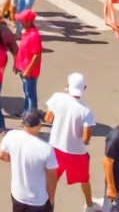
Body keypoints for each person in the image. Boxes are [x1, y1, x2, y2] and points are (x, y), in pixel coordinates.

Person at [44, 72, 97, 211]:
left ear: (68, 85)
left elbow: (48, 119)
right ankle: (90, 204)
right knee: (84, 179)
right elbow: (85, 137)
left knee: (51, 181)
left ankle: (49, 207)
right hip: (77, 152)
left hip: (55, 148)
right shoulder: (86, 110)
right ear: (83, 88)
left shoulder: (57, 97)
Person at [0, 109, 57, 212]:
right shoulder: (46, 149)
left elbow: (1, 155)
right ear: (38, 125)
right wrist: (51, 197)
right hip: (38, 200)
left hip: (18, 195)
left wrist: (18, 161)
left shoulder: (11, 136)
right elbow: (51, 177)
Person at [14, 10, 42, 115]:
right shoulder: (26, 32)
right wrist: (17, 64)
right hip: (23, 68)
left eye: (22, 20)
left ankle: (31, 115)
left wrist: (28, 70)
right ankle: (26, 112)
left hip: (29, 71)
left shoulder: (34, 35)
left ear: (28, 21)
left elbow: (36, 55)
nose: (20, 22)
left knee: (30, 94)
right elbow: (22, 50)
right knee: (27, 92)